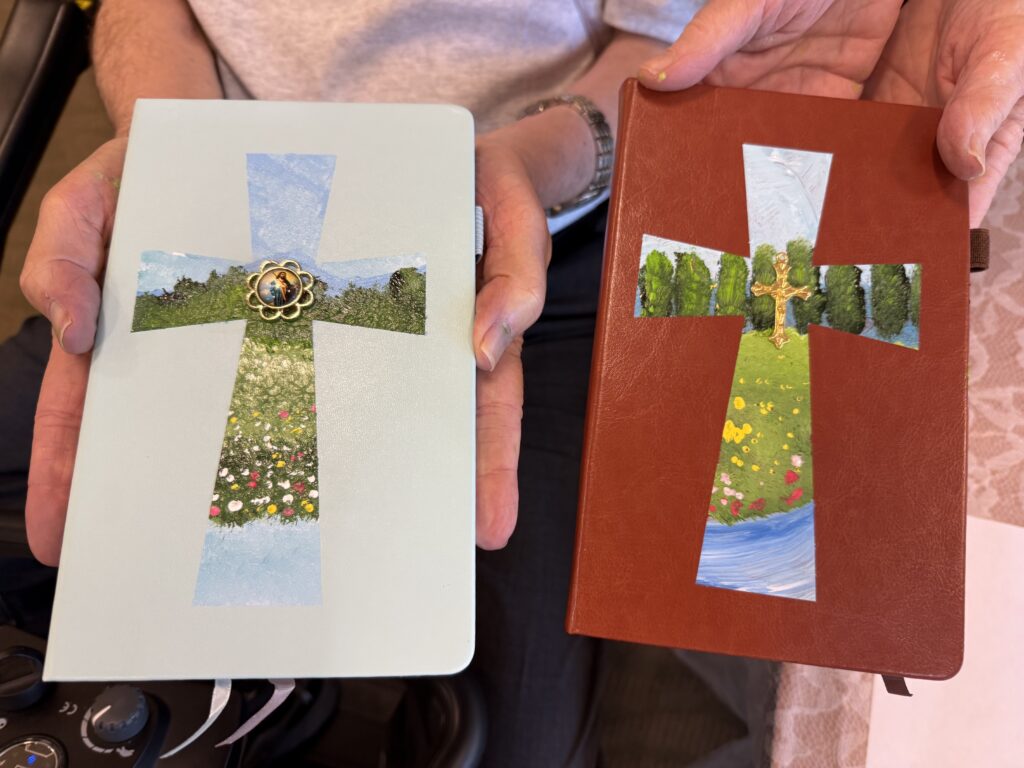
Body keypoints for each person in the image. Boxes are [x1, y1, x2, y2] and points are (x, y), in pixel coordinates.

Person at [9, 0, 1022, 765]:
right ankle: (267, 669)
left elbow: (667, 53)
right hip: (216, 212)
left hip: (548, 226)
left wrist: (514, 173)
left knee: (513, 735)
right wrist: (188, 163)